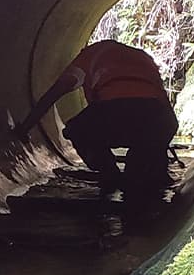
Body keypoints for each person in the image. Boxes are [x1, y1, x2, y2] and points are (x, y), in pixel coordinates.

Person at [14, 39, 178, 191]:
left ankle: (110, 174)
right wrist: (160, 148)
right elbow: (165, 112)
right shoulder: (143, 57)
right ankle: (150, 178)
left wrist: (25, 128)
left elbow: (53, 94)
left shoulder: (89, 56)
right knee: (142, 169)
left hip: (115, 112)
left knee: (77, 129)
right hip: (158, 118)